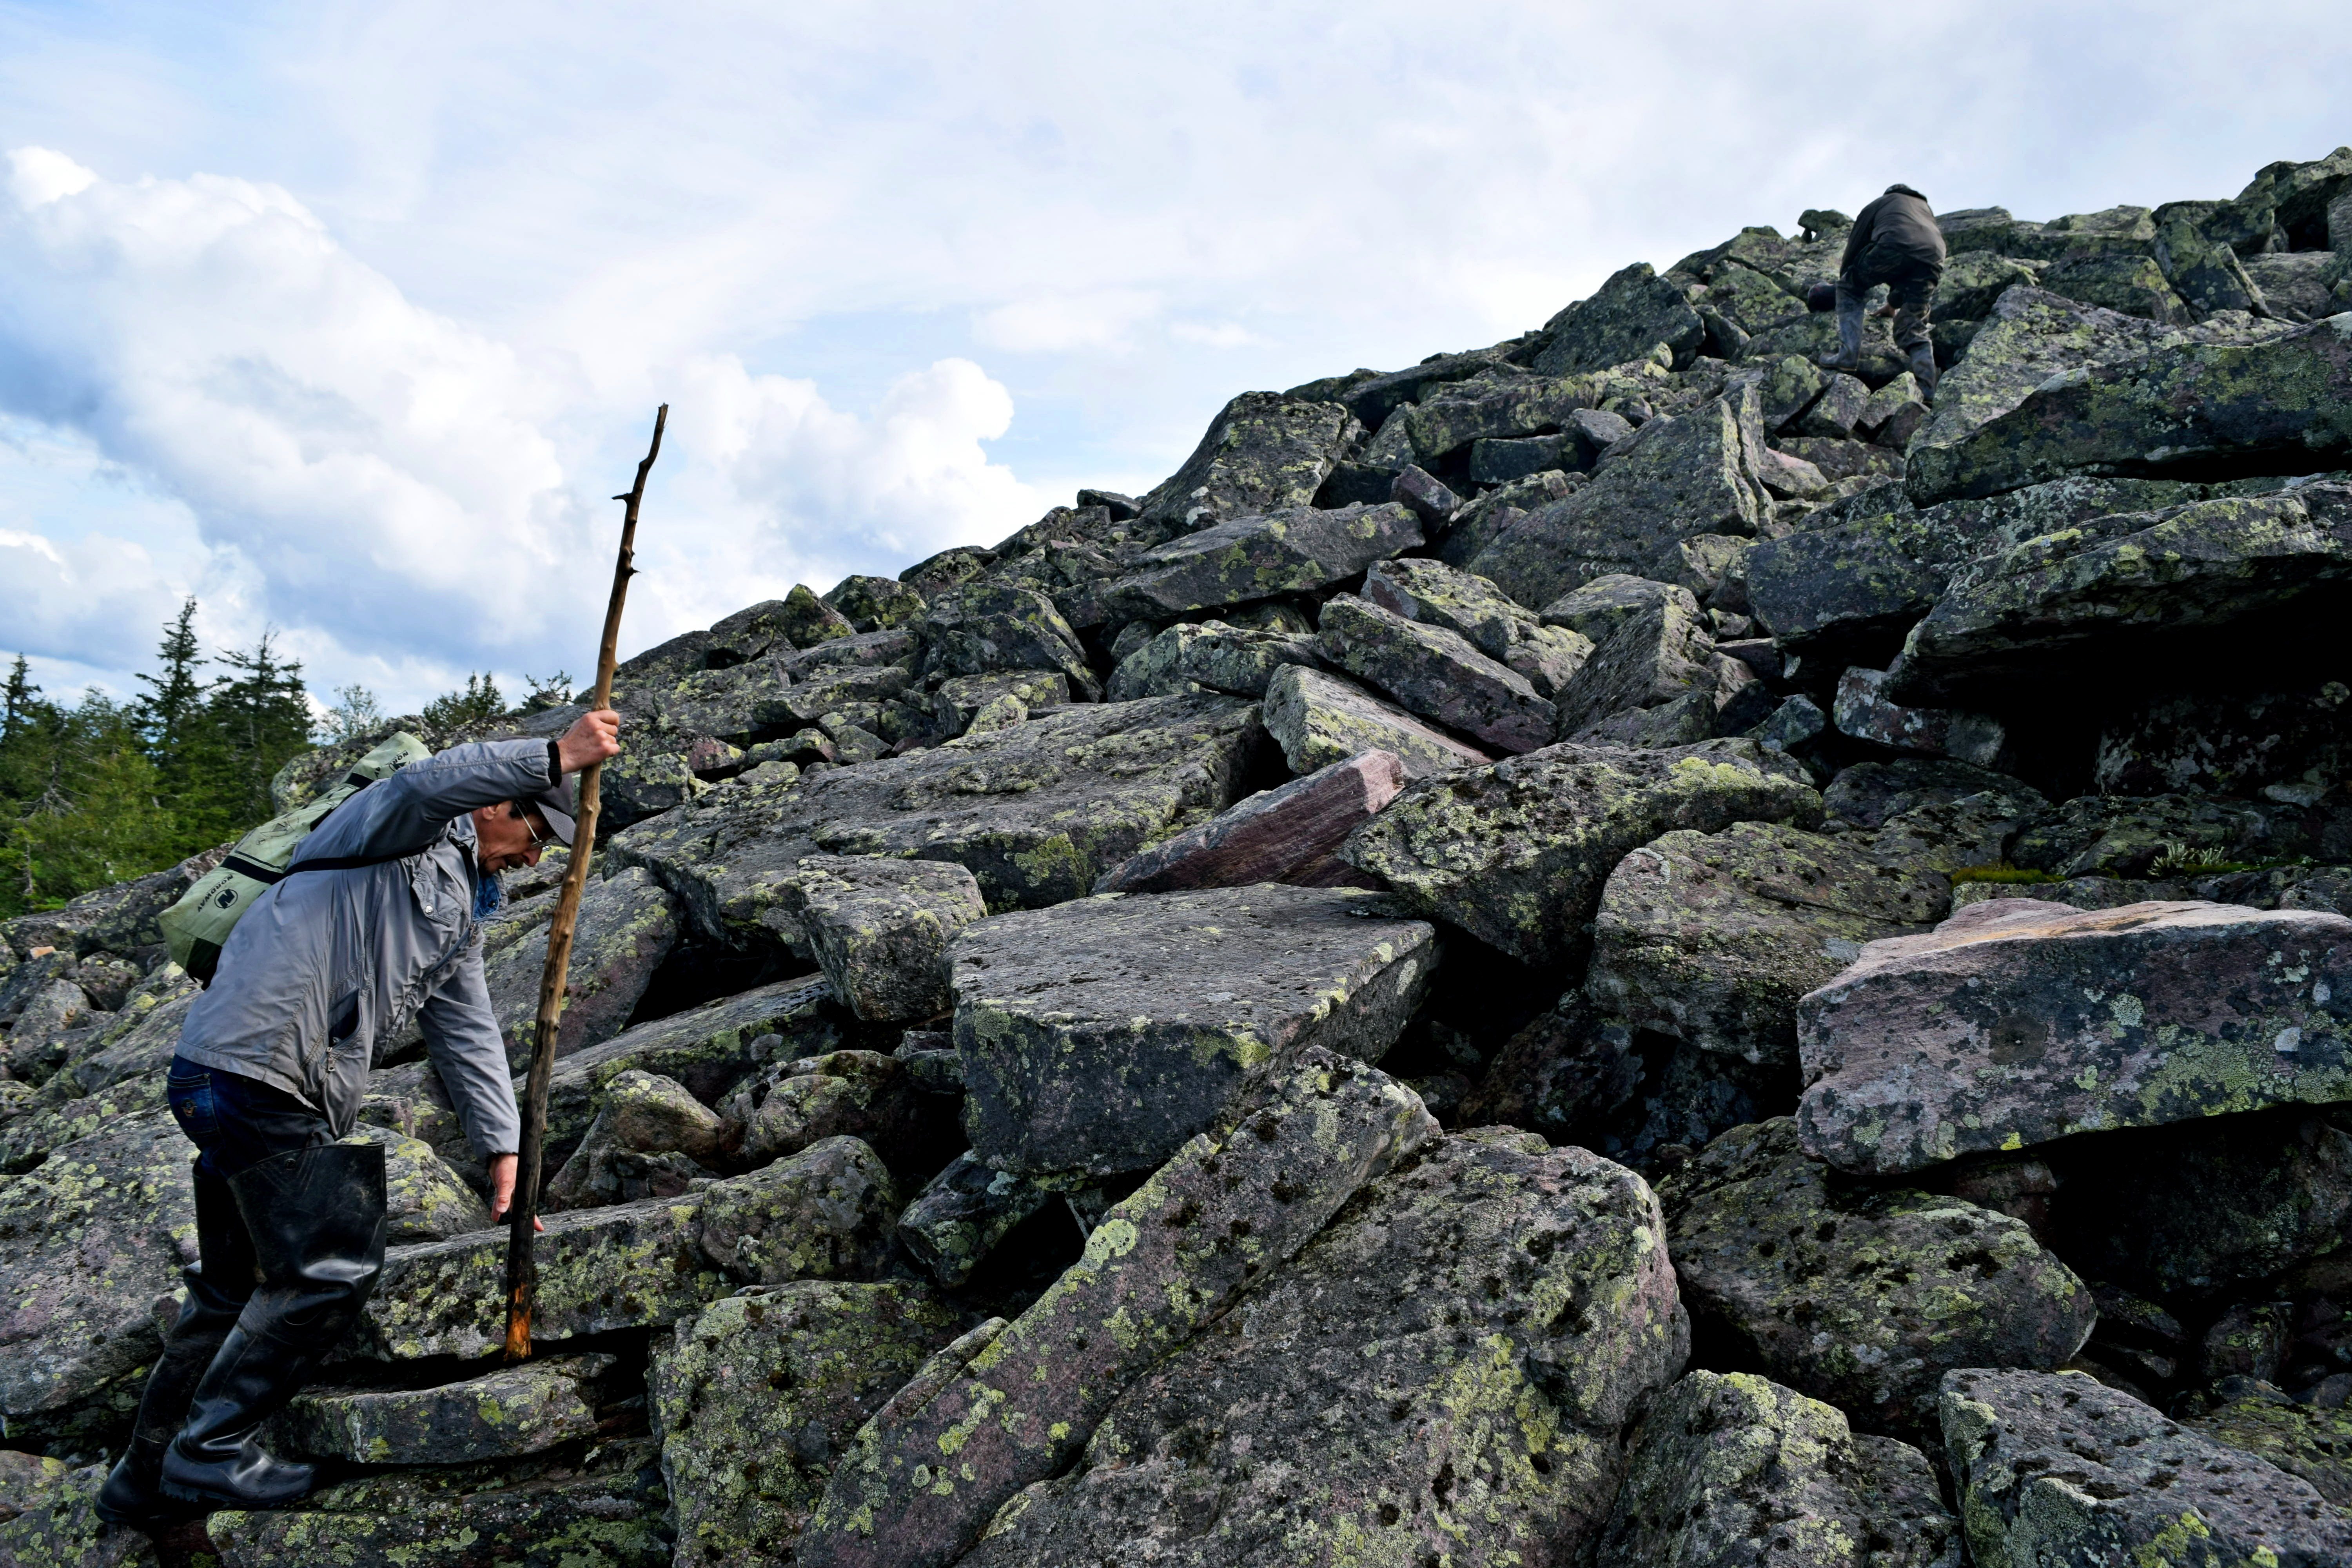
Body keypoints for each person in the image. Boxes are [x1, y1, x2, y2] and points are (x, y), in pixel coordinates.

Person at [96, 709, 624, 1525]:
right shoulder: (400, 825)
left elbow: (467, 1027)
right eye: (535, 830)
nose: (535, 856)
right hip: (261, 1070)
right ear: (497, 803)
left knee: (234, 1289)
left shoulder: (457, 908)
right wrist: (555, 754)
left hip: (237, 1077)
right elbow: (425, 777)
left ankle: (143, 1477)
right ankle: (209, 1452)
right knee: (330, 1263)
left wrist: (504, 1147)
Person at [1820, 182, 1947, 402]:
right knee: (1914, 325)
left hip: (1894, 245)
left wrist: (1847, 280)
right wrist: (1893, 304)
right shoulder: (1924, 210)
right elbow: (1910, 265)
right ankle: (1929, 392)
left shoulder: (1881, 203)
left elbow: (1856, 243)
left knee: (1850, 288)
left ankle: (1847, 356)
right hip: (1934, 257)